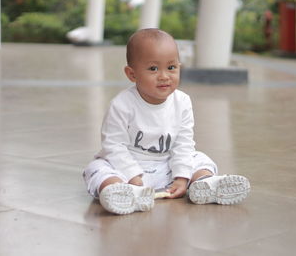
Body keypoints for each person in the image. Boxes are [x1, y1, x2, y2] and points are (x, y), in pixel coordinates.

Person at [83, 28, 250, 215]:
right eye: (153, 68)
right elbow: (113, 146)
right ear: (132, 74)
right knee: (96, 168)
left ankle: (204, 183)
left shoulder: (183, 102)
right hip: (129, 168)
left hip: (166, 166)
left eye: (171, 67)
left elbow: (183, 143)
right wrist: (133, 176)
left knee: (200, 158)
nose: (164, 76)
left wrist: (181, 176)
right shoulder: (122, 104)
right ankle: (119, 192)